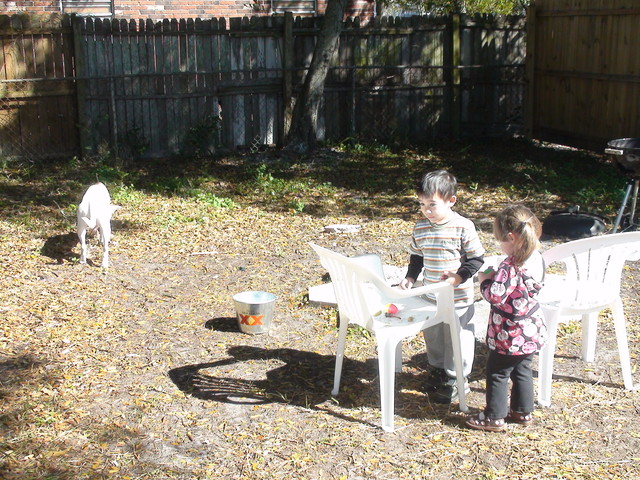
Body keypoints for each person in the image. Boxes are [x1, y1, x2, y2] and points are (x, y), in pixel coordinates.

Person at [399, 170, 485, 403]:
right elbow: (417, 257)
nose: (427, 210)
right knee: (434, 334)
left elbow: (477, 259)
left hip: (458, 297)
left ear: (451, 201)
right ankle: (437, 369)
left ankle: (457, 378)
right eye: (422, 204)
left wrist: (459, 277)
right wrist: (409, 277)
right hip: (431, 295)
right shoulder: (421, 227)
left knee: (458, 336)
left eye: (432, 205)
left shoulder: (463, 226)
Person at [465, 204, 547, 432]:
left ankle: (494, 416)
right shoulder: (537, 257)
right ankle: (522, 411)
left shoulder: (511, 266)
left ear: (511, 237)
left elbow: (495, 295)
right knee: (523, 369)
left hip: (509, 332)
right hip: (531, 328)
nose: (500, 244)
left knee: (498, 372)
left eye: (500, 240)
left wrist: (484, 279)